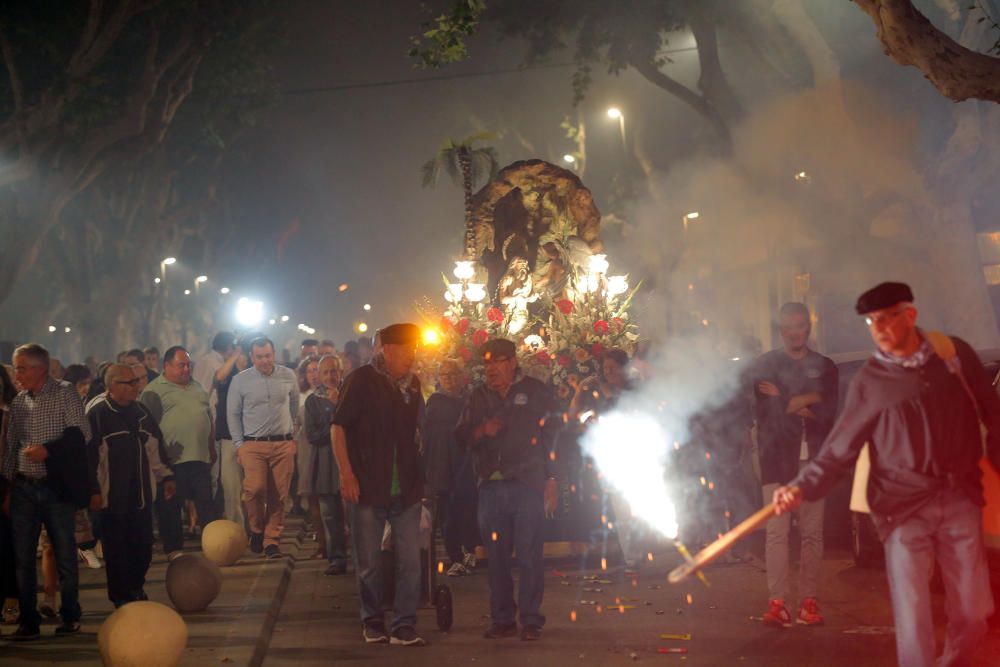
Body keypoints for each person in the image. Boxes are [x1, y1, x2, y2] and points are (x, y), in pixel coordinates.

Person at [773, 282, 1000, 666]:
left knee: (974, 613)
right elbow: (840, 447)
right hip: (902, 507)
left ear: (909, 316)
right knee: (913, 615)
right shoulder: (871, 381)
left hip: (958, 498)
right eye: (871, 321)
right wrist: (801, 487)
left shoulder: (952, 355)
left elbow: (992, 412)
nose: (878, 328)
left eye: (885, 318)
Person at [455, 338, 560, 641]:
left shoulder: (535, 391)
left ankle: (530, 620)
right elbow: (460, 438)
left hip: (528, 485)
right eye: (486, 363)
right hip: (491, 487)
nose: (491, 369)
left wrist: (553, 479)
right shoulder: (477, 397)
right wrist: (480, 430)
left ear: (513, 362)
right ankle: (502, 619)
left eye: (497, 362)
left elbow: (553, 435)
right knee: (497, 556)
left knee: (529, 555)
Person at [332, 323, 427, 646]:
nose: (411, 357)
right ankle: (372, 620)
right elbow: (338, 428)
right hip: (369, 487)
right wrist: (347, 473)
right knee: (369, 563)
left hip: (408, 489)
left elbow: (417, 433)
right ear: (387, 350)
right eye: (405, 350)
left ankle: (404, 624)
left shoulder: (412, 386)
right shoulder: (360, 381)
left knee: (411, 562)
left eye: (414, 350)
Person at [2, 343, 98, 640]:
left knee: (65, 554)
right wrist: (6, 487)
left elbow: (82, 433)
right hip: (24, 490)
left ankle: (70, 615)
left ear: (38, 369)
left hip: (55, 489)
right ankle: (28, 621)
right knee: (23, 558)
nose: (16, 375)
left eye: (20, 368)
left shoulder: (64, 392)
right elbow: (10, 448)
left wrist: (49, 451)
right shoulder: (18, 402)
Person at [751, 302, 837, 627]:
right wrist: (811, 398)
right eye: (788, 327)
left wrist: (789, 399)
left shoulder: (825, 366)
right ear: (781, 330)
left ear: (808, 328)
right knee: (777, 533)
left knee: (812, 533)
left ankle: (808, 602)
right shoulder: (766, 365)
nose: (794, 332)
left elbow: (831, 412)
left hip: (814, 462)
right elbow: (767, 412)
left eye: (799, 325)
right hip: (777, 461)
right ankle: (778, 603)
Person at [88, 364, 176, 607]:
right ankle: (122, 598)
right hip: (111, 498)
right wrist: (93, 491)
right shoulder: (97, 415)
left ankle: (136, 586)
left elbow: (156, 449)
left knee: (143, 547)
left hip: (141, 496)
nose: (136, 386)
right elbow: (89, 458)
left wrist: (166, 477)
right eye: (130, 382)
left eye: (137, 381)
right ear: (113, 386)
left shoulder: (141, 413)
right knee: (116, 552)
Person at [227, 337, 299, 559]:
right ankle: (257, 529)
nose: (265, 361)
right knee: (254, 489)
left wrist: (291, 435)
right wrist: (240, 445)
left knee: (279, 494)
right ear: (252, 357)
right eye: (259, 357)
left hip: (283, 443)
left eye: (268, 355)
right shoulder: (240, 381)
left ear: (274, 354)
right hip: (253, 444)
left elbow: (294, 405)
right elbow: (233, 414)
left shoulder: (288, 375)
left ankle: (271, 541)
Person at [141, 346, 216, 554]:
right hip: (172, 462)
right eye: (180, 365)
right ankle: (174, 550)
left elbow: (208, 418)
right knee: (171, 507)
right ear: (166, 366)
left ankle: (214, 546)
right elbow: (148, 429)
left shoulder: (197, 388)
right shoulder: (153, 391)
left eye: (188, 365)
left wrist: (211, 446)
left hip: (199, 458)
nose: (185, 370)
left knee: (206, 505)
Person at [423, 358, 478, 576]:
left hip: (465, 462)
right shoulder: (436, 402)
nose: (449, 379)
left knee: (468, 509)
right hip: (442, 462)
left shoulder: (469, 399)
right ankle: (455, 555)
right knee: (448, 513)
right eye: (444, 375)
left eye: (453, 374)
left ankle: (470, 551)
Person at [303, 355, 348, 575]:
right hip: (325, 466)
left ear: (341, 372)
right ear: (319, 375)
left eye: (334, 371)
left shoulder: (350, 396)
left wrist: (339, 406)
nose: (331, 376)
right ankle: (336, 558)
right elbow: (313, 435)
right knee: (330, 515)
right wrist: (334, 417)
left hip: (349, 464)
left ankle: (359, 556)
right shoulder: (313, 402)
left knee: (353, 515)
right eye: (326, 372)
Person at [289, 356, 320, 517]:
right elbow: (295, 421)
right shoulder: (301, 395)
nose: (313, 375)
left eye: (316, 370)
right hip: (304, 444)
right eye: (309, 371)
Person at [0, 365, 19, 625]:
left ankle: (12, 599)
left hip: (4, 484)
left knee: (6, 547)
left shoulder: (10, 415)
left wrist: (9, 491)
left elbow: (13, 453)